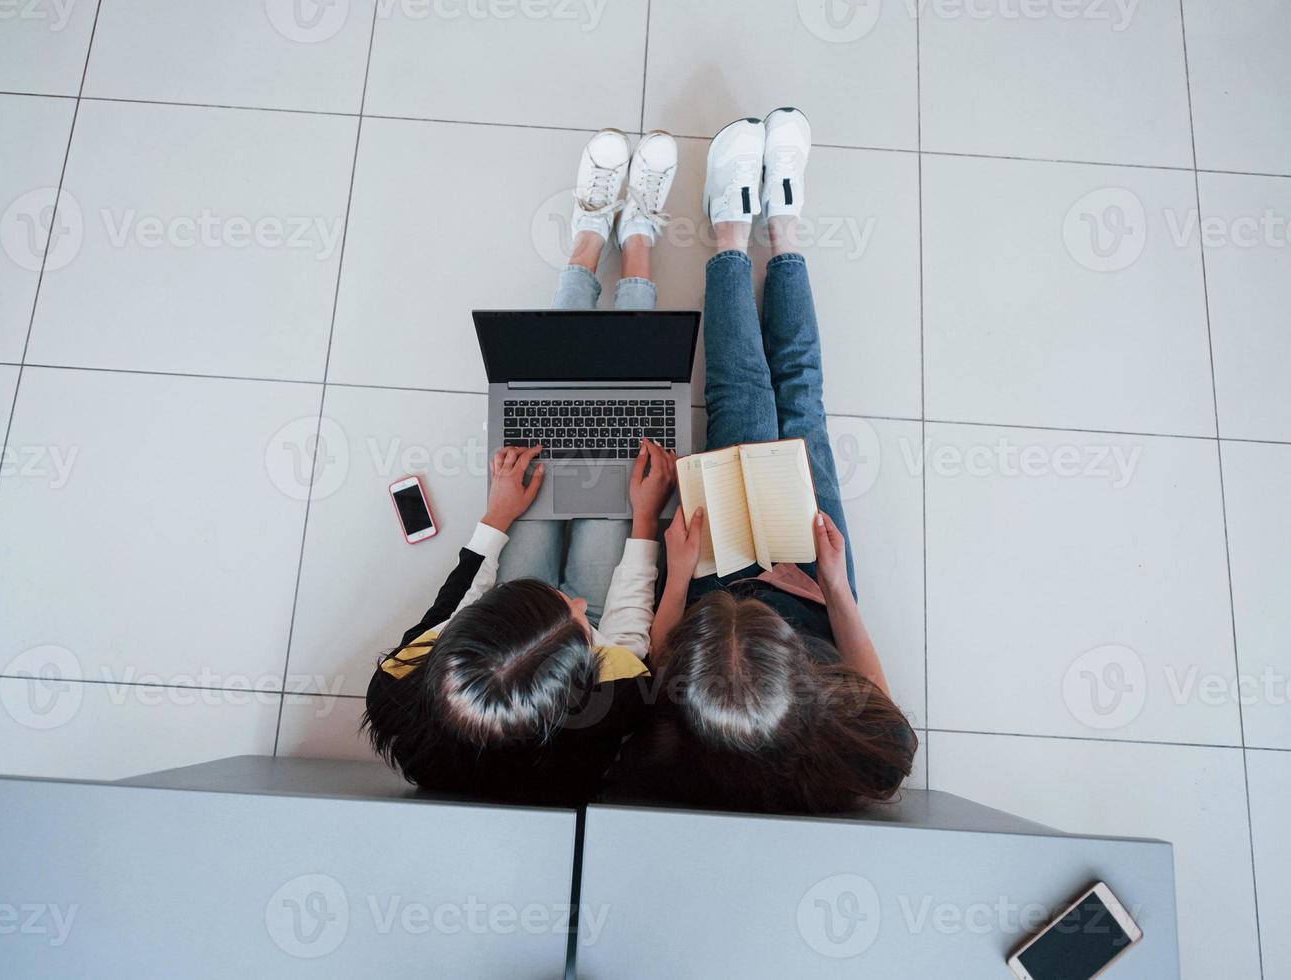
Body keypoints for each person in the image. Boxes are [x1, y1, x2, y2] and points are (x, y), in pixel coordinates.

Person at [363, 128, 680, 806]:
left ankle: (588, 238)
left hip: (524, 645)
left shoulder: (402, 680)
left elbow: (459, 600)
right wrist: (646, 522)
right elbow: (621, 628)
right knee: (624, 452)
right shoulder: (607, 702)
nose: (571, 597)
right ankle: (640, 244)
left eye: (549, 601)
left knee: (543, 420)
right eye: (572, 612)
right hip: (571, 662)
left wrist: (496, 514)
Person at [618, 109, 919, 814]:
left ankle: (731, 228)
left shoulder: (677, 738)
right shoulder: (869, 751)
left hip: (710, 579)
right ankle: (782, 231)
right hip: (818, 598)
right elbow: (873, 694)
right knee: (804, 406)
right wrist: (836, 590)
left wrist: (684, 576)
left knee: (747, 406)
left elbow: (662, 651)